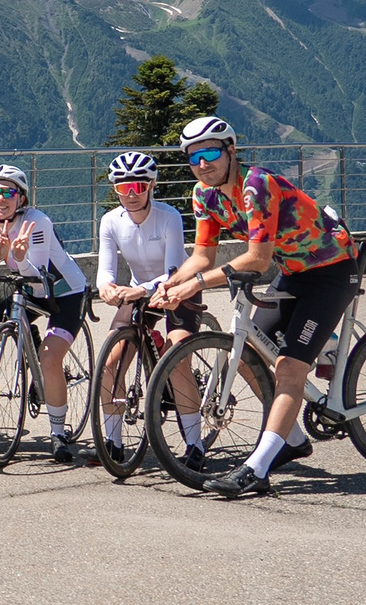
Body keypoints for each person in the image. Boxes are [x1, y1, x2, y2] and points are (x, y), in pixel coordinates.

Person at [150, 115, 352, 498]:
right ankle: (289, 439)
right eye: (193, 158)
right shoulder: (203, 195)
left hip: (331, 270)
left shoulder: (256, 184)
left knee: (289, 367)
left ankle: (257, 469)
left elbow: (258, 259)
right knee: (246, 354)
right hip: (293, 272)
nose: (202, 164)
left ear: (231, 151)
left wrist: (192, 286)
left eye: (210, 153)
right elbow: (202, 257)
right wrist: (171, 282)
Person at [0, 164, 91, 464]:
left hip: (64, 292)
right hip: (27, 291)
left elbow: (40, 280)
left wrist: (18, 257)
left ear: (22, 197)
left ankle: (58, 433)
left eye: (8, 192)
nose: (0, 199)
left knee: (49, 356)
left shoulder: (37, 222)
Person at [94, 148, 200, 464]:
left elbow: (171, 272)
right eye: (123, 188)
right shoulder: (111, 221)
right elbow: (106, 271)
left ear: (151, 185)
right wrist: (106, 289)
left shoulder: (168, 217)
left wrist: (138, 288)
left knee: (175, 358)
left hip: (179, 289)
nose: (131, 194)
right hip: (140, 293)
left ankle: (195, 445)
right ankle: (114, 443)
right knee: (110, 364)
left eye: (138, 186)